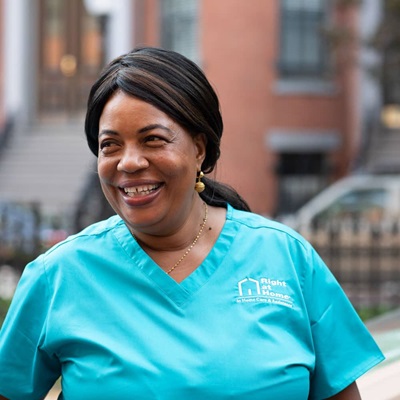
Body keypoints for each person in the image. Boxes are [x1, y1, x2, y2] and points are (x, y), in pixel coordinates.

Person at [0, 47, 384, 400]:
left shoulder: (286, 257)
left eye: (152, 139)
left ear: (199, 148)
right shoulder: (59, 275)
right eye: (109, 145)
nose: (128, 162)